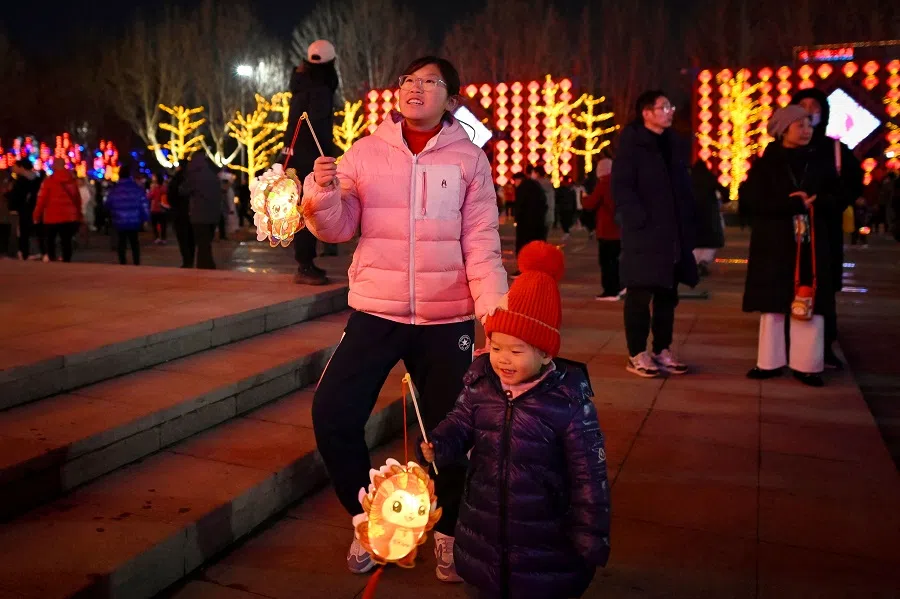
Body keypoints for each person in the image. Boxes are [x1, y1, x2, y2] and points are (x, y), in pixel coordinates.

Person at [303, 56, 508, 581]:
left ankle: (448, 532)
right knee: (333, 413)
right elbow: (338, 227)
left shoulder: (468, 160)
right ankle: (367, 522)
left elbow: (481, 244)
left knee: (452, 433)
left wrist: (496, 317)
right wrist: (322, 194)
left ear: (452, 99)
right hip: (376, 311)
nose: (414, 89)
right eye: (407, 81)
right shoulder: (366, 152)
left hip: (448, 319)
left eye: (429, 82)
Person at [419, 242, 611, 599]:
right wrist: (439, 444)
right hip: (484, 526)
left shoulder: (568, 403)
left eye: (517, 351)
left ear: (544, 352)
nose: (503, 359)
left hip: (545, 536)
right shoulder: (481, 386)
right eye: (496, 347)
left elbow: (589, 477)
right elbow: (461, 422)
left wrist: (590, 534)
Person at [742, 106, 837, 388]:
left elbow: (838, 193)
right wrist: (792, 204)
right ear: (784, 130)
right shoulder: (766, 162)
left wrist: (817, 202)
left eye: (809, 124)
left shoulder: (820, 159)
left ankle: (808, 365)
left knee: (809, 297)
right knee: (772, 304)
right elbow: (751, 201)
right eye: (800, 125)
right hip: (773, 241)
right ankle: (769, 362)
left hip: (811, 239)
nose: (806, 130)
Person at [612, 90, 698, 378]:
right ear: (646, 113)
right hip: (644, 234)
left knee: (667, 294)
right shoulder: (632, 144)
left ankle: (662, 349)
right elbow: (622, 187)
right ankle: (637, 353)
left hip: (672, 234)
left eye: (670, 105)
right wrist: (638, 220)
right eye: (663, 107)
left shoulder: (673, 144)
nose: (670, 111)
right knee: (639, 294)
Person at [791, 88, 864, 370]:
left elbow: (853, 184)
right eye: (803, 105)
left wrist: (827, 202)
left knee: (823, 286)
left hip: (824, 227)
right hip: (792, 230)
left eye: (815, 106)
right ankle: (791, 342)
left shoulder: (835, 149)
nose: (809, 111)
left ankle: (825, 344)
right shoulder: (783, 147)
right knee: (793, 282)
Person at [284, 39, 339, 285]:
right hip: (312, 159)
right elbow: (320, 127)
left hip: (297, 156)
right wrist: (330, 153)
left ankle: (305, 263)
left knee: (305, 210)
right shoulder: (321, 89)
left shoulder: (301, 85)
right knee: (310, 209)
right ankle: (305, 265)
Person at [581, 159, 622, 300]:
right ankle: (620, 286)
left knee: (606, 261)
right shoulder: (621, 182)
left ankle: (610, 290)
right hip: (620, 229)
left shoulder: (604, 184)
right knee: (617, 260)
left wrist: (584, 198)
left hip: (607, 229)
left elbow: (590, 204)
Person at [33, 158, 82, 263]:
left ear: (54, 166)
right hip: (69, 216)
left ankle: (52, 259)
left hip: (52, 215)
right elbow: (77, 199)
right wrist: (79, 214)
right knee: (66, 240)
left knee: (50, 239)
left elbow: (41, 200)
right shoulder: (71, 181)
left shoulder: (49, 182)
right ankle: (66, 259)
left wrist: (36, 215)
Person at [105, 163, 150, 266]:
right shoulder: (136, 188)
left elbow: (108, 204)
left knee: (121, 242)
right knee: (134, 242)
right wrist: (145, 218)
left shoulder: (115, 190)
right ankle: (136, 262)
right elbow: (143, 203)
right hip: (134, 219)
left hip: (119, 219)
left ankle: (123, 263)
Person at [184, 154, 221, 269]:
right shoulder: (213, 176)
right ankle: (209, 264)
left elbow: (183, 190)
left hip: (199, 215)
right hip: (213, 215)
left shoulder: (194, 176)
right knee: (206, 243)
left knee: (201, 243)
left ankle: (204, 266)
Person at [690, 159, 726, 277]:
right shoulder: (710, 178)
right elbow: (724, 192)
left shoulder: (689, 179)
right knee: (709, 243)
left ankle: (694, 264)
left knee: (694, 242)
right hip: (709, 215)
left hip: (692, 214)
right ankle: (703, 263)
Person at [7, 159, 41, 260]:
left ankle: (24, 252)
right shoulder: (36, 179)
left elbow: (16, 196)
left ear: (21, 167)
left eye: (15, 166)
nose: (13, 168)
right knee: (30, 231)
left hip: (23, 210)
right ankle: (33, 251)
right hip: (32, 209)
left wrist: (9, 194)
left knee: (23, 231)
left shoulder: (21, 180)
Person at [512, 171, 548, 257]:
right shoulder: (536, 185)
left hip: (525, 223)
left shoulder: (522, 189)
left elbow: (519, 206)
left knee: (524, 245)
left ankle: (524, 265)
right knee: (536, 245)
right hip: (538, 221)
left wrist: (517, 218)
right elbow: (544, 203)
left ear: (518, 180)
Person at [167, 163, 194, 268]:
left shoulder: (175, 180)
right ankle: (191, 258)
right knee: (191, 238)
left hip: (179, 213)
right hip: (192, 212)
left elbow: (170, 197)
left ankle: (186, 260)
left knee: (182, 238)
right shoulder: (193, 179)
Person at [148, 173, 169, 245]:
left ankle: (157, 238)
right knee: (163, 224)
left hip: (154, 208)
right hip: (163, 209)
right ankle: (163, 238)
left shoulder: (154, 188)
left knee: (154, 224)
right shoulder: (165, 188)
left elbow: (149, 196)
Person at [555, 176, 577, 241]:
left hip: (567, 208)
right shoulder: (566, 189)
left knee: (566, 221)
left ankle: (567, 232)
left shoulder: (568, 189)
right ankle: (567, 232)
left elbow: (573, 200)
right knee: (565, 221)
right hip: (564, 208)